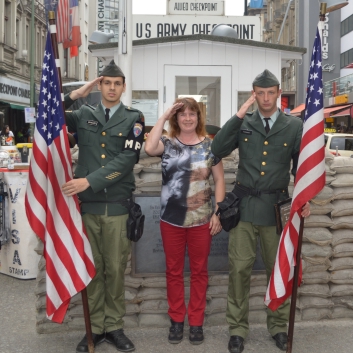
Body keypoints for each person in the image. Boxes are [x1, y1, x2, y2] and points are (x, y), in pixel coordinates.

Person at [211, 69, 310, 353]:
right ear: (254, 94)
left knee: (276, 269)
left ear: (279, 93)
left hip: (276, 209)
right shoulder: (245, 122)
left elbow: (300, 166)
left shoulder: (293, 126)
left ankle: (278, 326)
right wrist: (239, 114)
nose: (265, 99)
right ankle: (237, 329)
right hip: (243, 208)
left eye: (270, 92)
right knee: (239, 270)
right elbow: (217, 148)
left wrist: (304, 199)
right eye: (260, 93)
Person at [61, 60, 145, 353]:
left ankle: (115, 327)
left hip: (117, 207)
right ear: (99, 86)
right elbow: (48, 115)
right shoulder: (83, 114)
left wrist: (88, 181)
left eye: (116, 83)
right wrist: (73, 96)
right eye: (106, 83)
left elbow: (127, 160)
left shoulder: (134, 118)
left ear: (123, 87)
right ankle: (94, 328)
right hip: (87, 209)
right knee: (92, 269)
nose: (111, 88)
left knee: (116, 269)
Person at [145, 97, 225, 345]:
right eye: (182, 114)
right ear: (176, 118)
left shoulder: (211, 146)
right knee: (174, 271)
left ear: (199, 118)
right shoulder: (167, 144)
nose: (188, 118)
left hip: (202, 220)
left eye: (193, 114)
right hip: (171, 220)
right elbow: (149, 148)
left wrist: (218, 212)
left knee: (200, 272)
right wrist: (165, 113)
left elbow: (220, 181)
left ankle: (197, 322)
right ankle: (177, 320)